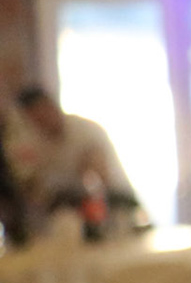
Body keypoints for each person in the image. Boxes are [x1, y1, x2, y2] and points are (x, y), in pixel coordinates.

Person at [3, 86, 139, 239]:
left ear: (52, 106)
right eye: (35, 119)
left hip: (114, 204)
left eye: (44, 113)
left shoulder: (85, 131)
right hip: (67, 212)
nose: (42, 121)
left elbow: (100, 178)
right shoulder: (33, 144)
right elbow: (33, 188)